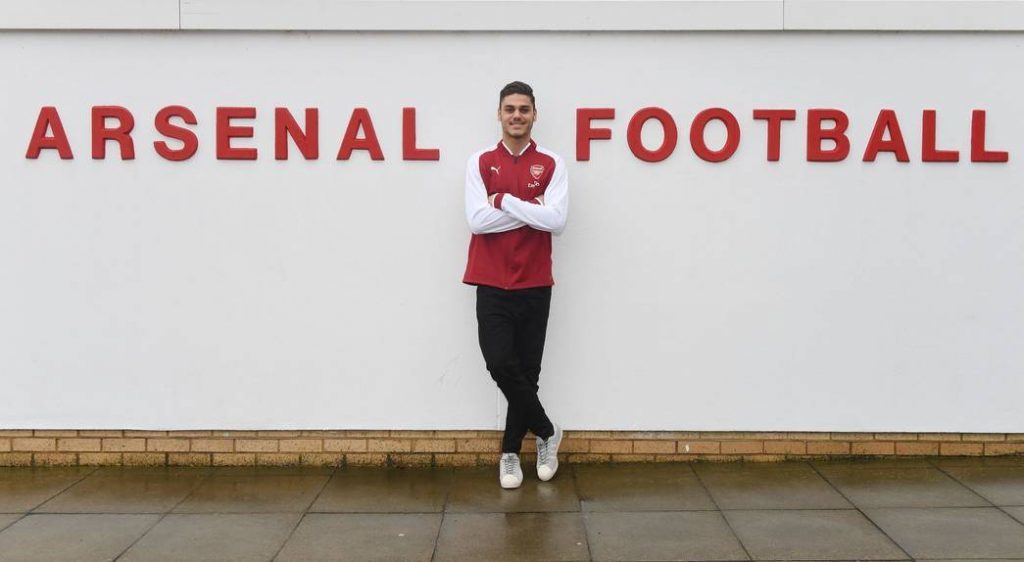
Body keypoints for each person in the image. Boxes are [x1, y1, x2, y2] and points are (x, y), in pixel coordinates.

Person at [462, 81, 569, 489]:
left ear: (534, 115)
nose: (517, 115)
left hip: (535, 281)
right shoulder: (480, 162)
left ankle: (510, 452)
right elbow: (477, 221)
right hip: (490, 280)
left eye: (524, 109)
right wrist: (532, 209)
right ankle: (547, 430)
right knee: (500, 364)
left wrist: (502, 200)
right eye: (510, 109)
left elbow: (556, 221)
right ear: (499, 114)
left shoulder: (553, 164)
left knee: (527, 372)